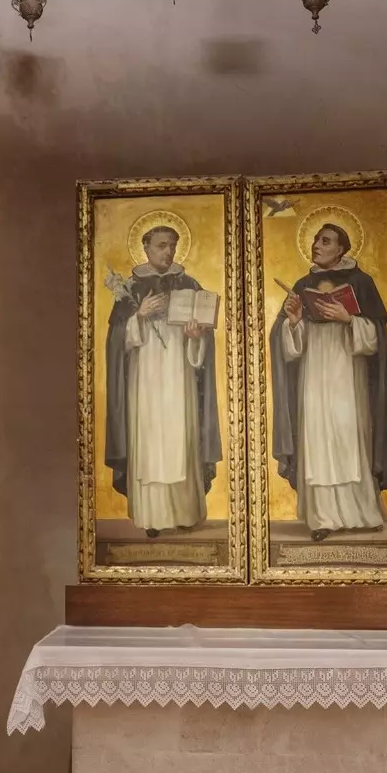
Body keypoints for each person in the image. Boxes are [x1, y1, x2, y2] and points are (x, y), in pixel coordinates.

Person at [269, 220, 387, 539]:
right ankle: (322, 518)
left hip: (347, 375)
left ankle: (361, 512)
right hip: (312, 376)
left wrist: (349, 319)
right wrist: (294, 321)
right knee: (316, 441)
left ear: (341, 249)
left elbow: (375, 339)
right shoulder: (303, 284)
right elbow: (287, 346)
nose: (317, 245)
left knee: (348, 440)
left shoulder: (362, 282)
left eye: (325, 241)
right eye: (316, 240)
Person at [102, 223, 222, 537]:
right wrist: (137, 317)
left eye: (171, 245)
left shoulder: (189, 284)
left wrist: (196, 337)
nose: (167, 251)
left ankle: (184, 513)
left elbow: (204, 341)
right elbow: (116, 341)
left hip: (179, 375)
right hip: (145, 380)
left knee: (180, 438)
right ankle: (153, 516)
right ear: (146, 248)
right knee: (151, 441)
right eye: (161, 245)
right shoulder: (129, 289)